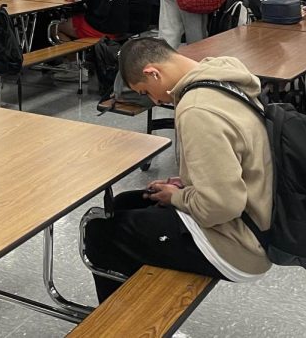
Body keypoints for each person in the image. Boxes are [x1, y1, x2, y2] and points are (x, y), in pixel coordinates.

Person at [82, 38, 272, 302]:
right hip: (258, 217)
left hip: (238, 245)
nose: (155, 101)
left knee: (99, 232)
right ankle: (139, 300)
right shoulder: (222, 77)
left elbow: (223, 205)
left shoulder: (197, 109)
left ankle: (124, 324)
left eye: (146, 91)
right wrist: (188, 183)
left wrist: (176, 197)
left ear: (153, 72)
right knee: (126, 203)